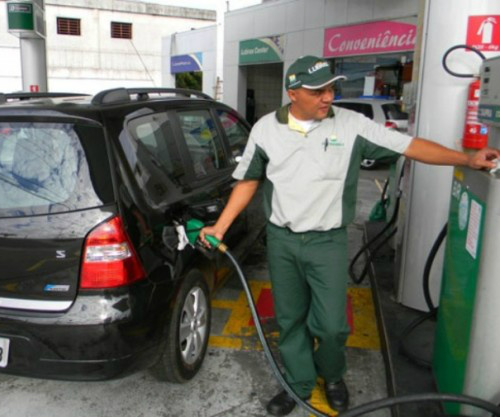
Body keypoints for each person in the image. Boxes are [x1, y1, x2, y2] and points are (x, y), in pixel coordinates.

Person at [200, 55, 500, 416]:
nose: (328, 97)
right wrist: (220, 226)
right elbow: (248, 180)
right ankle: (298, 384)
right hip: (282, 241)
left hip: (328, 242)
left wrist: (466, 160)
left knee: (330, 326)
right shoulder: (265, 129)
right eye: (318, 91)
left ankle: (333, 376)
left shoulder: (351, 125)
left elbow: (410, 146)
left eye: (331, 88)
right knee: (290, 319)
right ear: (293, 93)